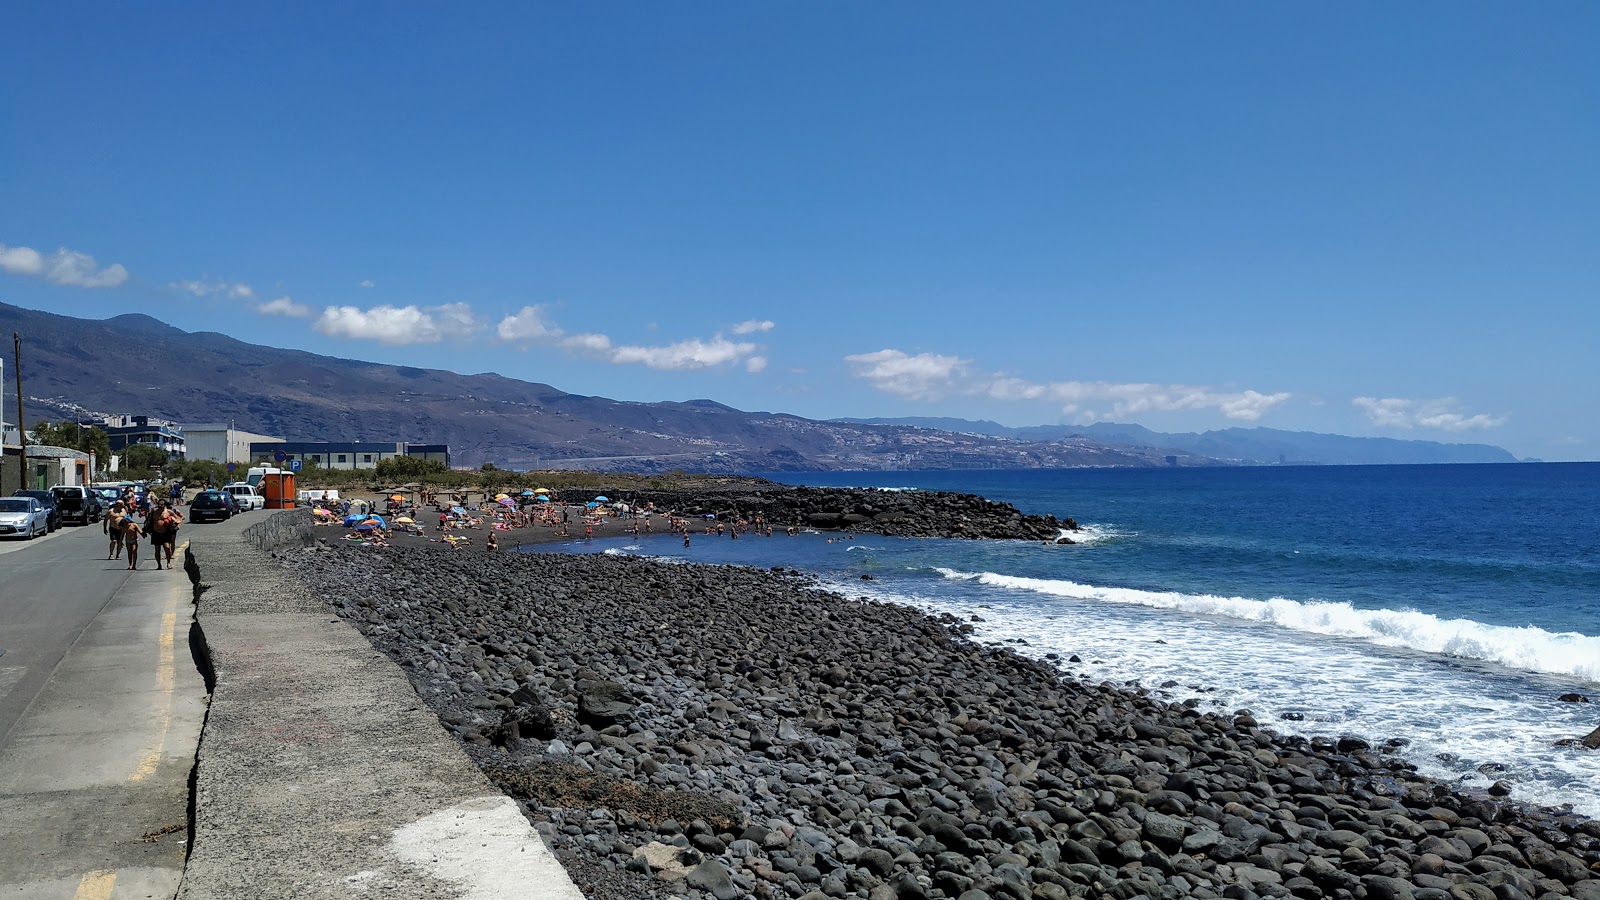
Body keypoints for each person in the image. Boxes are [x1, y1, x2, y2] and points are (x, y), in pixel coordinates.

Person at [146, 500, 184, 570]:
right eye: (159, 505)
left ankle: (168, 562)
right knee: (157, 550)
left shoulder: (168, 512)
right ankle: (159, 565)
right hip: (156, 532)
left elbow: (177, 518)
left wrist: (176, 523)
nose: (160, 506)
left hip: (165, 532)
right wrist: (146, 529)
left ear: (165, 505)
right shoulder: (154, 512)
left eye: (162, 505)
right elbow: (148, 520)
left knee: (167, 547)